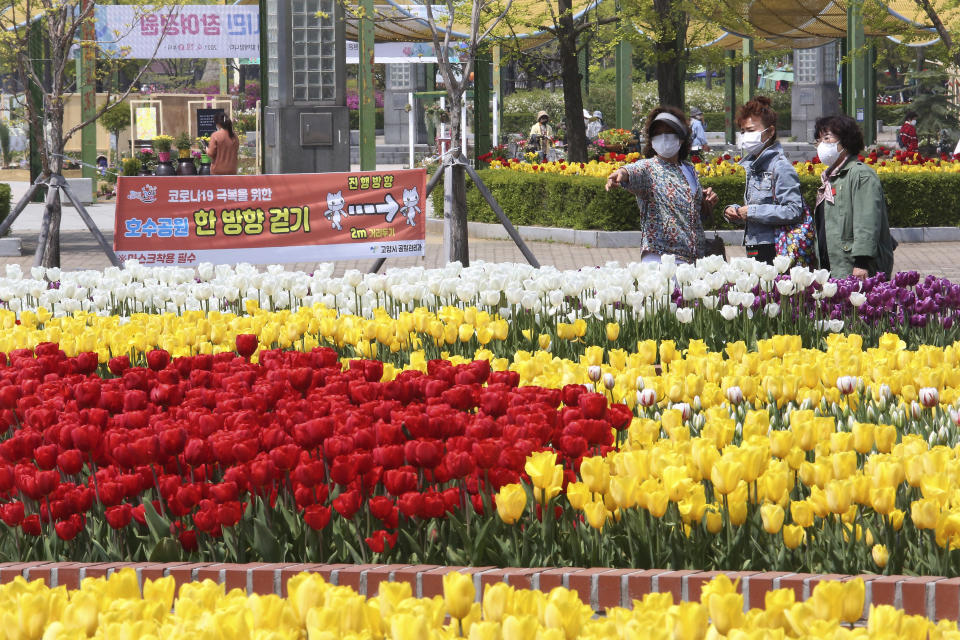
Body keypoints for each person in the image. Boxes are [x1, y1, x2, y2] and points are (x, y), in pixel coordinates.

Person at [605, 106, 719, 264]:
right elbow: (633, 171)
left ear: (681, 137)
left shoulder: (689, 169)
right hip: (660, 260)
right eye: (658, 134)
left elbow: (693, 215)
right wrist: (622, 173)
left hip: (693, 261)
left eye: (669, 132)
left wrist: (705, 203)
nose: (664, 138)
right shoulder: (649, 168)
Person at [813, 114, 896, 279]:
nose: (822, 145)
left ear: (846, 141)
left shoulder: (860, 174)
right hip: (833, 266)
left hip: (854, 268)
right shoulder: (831, 178)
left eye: (827, 138)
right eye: (819, 140)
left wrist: (861, 262)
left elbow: (866, 221)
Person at [723, 96, 804, 264]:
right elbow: (757, 207)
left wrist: (752, 212)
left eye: (751, 130)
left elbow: (793, 210)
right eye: (743, 131)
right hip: (754, 245)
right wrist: (736, 211)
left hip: (775, 248)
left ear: (770, 131)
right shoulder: (754, 166)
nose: (746, 136)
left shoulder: (780, 166)